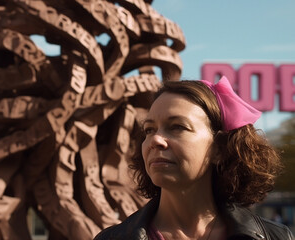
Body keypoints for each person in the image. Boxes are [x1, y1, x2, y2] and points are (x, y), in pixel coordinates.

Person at [94, 77, 294, 240]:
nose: (155, 139)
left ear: (219, 149)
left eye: (177, 127)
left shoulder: (276, 236)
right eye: (149, 129)